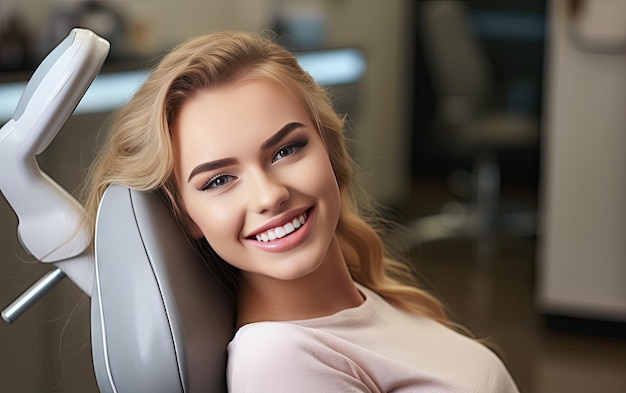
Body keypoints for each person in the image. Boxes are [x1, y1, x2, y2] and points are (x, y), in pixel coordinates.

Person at [81, 30, 519, 392]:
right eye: (219, 180)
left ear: (330, 150)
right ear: (187, 217)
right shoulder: (278, 361)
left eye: (286, 150)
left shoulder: (373, 303)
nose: (269, 195)